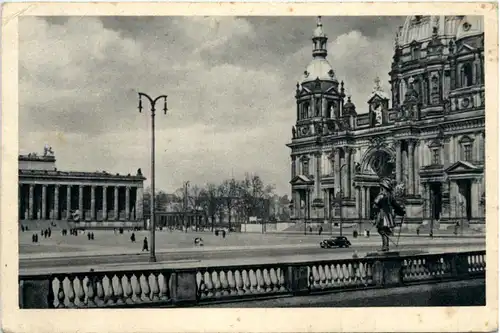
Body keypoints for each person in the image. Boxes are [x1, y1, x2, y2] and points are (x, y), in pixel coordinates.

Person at [372, 177, 406, 252]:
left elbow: (375, 205)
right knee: (384, 230)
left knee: (381, 230)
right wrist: (402, 212)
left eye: (381, 186)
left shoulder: (381, 195)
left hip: (382, 215)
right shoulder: (390, 196)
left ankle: (385, 246)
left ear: (383, 187)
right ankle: (386, 245)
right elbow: (396, 205)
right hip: (388, 216)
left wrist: (375, 212)